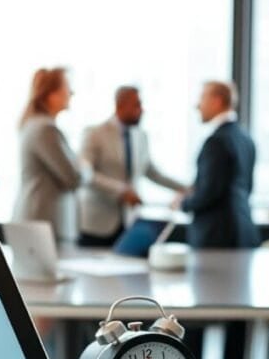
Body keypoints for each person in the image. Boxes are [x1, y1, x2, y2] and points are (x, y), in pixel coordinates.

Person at [175, 81, 259, 359]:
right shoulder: (245, 138)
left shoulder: (216, 141)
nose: (197, 105)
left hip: (215, 237)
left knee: (198, 310)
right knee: (238, 311)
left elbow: (208, 194)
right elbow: (246, 187)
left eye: (202, 98)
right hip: (242, 233)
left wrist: (183, 203)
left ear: (219, 100)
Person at [78, 86, 188, 246]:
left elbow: (152, 172)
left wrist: (186, 188)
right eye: (136, 105)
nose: (142, 110)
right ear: (120, 105)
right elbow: (86, 174)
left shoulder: (141, 136)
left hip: (129, 222)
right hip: (98, 222)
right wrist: (121, 191)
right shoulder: (94, 133)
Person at [13, 68, 89, 239]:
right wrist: (86, 168)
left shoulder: (34, 124)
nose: (71, 93)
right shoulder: (45, 129)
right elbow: (72, 178)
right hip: (41, 222)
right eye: (66, 87)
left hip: (36, 219)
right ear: (51, 95)